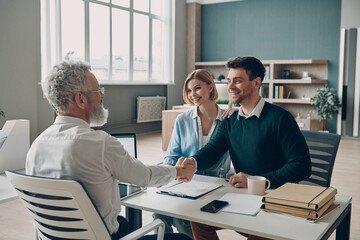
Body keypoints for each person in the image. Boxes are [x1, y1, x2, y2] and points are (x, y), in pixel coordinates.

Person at [26, 61, 195, 240]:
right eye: (98, 90)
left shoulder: (35, 147)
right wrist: (178, 171)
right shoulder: (99, 144)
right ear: (80, 99)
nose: (101, 96)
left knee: (123, 222)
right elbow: (144, 176)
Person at [181, 56, 312, 240]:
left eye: (238, 80)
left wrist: (258, 180)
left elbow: (302, 166)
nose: (230, 86)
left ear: (256, 82)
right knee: (198, 219)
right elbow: (212, 150)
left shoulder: (281, 118)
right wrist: (192, 162)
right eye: (228, 80)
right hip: (243, 197)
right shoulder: (230, 120)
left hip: (276, 201)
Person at [153, 69, 232, 239]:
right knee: (159, 212)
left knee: (182, 218)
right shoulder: (183, 119)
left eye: (197, 88)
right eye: (189, 90)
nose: (192, 94)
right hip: (187, 183)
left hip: (216, 185)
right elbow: (171, 156)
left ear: (210, 87)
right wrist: (174, 169)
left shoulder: (228, 118)